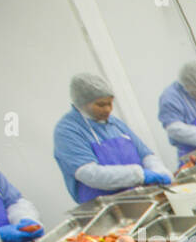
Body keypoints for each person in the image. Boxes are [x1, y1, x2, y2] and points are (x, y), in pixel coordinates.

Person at [53, 73, 172, 203]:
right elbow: (90, 174)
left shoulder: (114, 123)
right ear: (83, 103)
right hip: (104, 207)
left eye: (110, 103)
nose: (108, 109)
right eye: (101, 104)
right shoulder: (68, 130)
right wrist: (140, 175)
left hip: (138, 199)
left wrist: (159, 171)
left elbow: (146, 154)